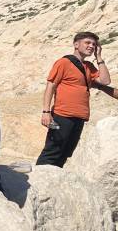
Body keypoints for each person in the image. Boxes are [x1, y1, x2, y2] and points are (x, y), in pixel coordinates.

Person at [36, 32, 110, 167]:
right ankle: (39, 182)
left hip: (80, 116)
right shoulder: (63, 62)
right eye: (87, 42)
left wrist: (99, 57)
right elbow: (50, 86)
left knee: (66, 153)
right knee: (52, 152)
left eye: (94, 44)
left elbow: (105, 81)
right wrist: (46, 112)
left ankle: (53, 183)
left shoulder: (89, 67)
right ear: (76, 44)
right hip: (62, 115)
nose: (91, 46)